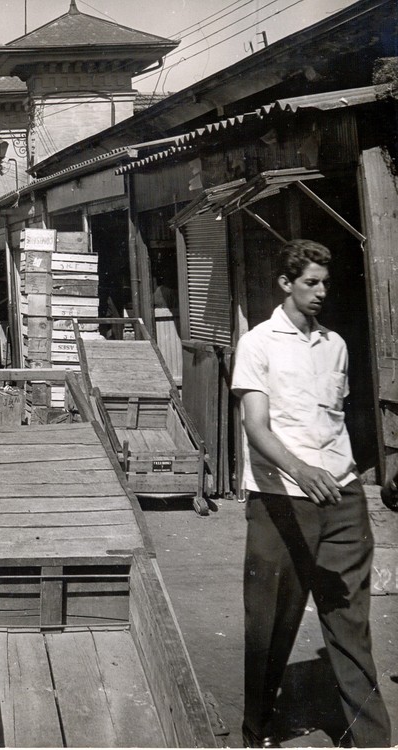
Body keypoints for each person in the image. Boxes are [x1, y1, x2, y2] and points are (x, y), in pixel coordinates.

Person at [231, 240, 391, 748]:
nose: (321, 292)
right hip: (281, 500)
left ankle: (373, 738)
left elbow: (335, 420)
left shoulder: (336, 345)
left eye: (325, 282)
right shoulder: (258, 344)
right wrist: (299, 470)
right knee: (270, 623)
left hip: (341, 499)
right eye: (310, 282)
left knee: (350, 623)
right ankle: (256, 729)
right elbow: (256, 426)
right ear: (285, 284)